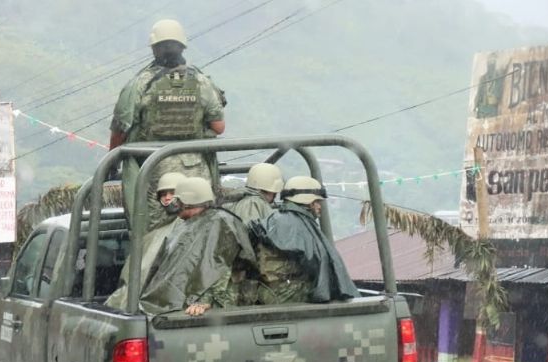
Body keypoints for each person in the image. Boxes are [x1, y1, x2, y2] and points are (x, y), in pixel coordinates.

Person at [109, 19, 226, 229]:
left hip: (153, 171)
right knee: (201, 230)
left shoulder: (139, 84)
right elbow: (218, 127)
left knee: (155, 236)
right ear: (183, 47)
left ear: (154, 49)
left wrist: (111, 163)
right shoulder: (202, 82)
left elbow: (120, 131)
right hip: (197, 171)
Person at [140, 176, 256, 316]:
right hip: (185, 303)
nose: (173, 204)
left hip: (220, 306)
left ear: (188, 202)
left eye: (178, 200)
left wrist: (205, 301)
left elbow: (217, 269)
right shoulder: (192, 223)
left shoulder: (219, 224)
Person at [249, 176, 360, 304]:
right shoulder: (296, 224)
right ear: (308, 202)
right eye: (317, 202)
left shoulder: (276, 219)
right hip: (284, 295)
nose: (319, 207)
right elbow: (317, 263)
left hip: (269, 291)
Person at [105, 172, 185, 309]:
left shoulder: (193, 225)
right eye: (163, 194)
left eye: (172, 193)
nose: (167, 198)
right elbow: (139, 275)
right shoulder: (157, 232)